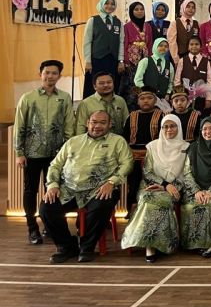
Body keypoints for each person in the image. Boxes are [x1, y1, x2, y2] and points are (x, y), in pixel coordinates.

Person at [40, 110, 133, 263]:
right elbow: (55, 165)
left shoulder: (118, 141)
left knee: (101, 206)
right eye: (94, 122)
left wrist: (111, 182)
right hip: (69, 189)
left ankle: (86, 248)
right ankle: (66, 247)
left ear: (110, 124)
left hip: (100, 188)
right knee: (46, 208)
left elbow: (127, 163)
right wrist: (52, 185)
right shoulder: (73, 141)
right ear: (87, 123)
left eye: (103, 122)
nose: (97, 126)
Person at [14, 59, 75, 244]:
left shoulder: (64, 97)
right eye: (47, 72)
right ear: (40, 74)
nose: (50, 76)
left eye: (54, 73)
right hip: (32, 153)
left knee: (53, 190)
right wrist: (19, 152)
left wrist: (68, 151)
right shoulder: (28, 98)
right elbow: (19, 126)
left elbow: (69, 125)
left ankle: (50, 225)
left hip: (56, 155)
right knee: (30, 190)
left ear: (59, 76)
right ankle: (32, 228)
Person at [121, 115, 187, 262]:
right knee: (147, 198)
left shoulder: (186, 148)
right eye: (165, 126)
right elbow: (147, 172)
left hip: (175, 187)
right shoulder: (152, 146)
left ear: (179, 127)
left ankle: (158, 243)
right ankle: (149, 245)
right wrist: (164, 184)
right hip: (150, 184)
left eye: (172, 126)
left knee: (159, 201)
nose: (169, 129)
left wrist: (170, 187)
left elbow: (186, 173)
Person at [123, 87, 164, 212]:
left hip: (154, 157)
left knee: (152, 183)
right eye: (142, 98)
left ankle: (150, 210)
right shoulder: (132, 116)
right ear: (137, 101)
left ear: (155, 100)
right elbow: (125, 138)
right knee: (133, 184)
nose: (146, 101)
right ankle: (132, 210)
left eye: (149, 98)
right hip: (134, 157)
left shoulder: (161, 115)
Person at [82, 0, 124, 97]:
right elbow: (87, 42)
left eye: (112, 4)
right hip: (97, 59)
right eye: (107, 3)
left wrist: (121, 61)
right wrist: (88, 61)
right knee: (94, 85)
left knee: (112, 85)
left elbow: (121, 42)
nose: (110, 6)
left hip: (113, 60)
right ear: (101, 4)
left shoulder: (118, 22)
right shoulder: (93, 20)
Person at [74, 71, 129, 136]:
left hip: (118, 140)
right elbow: (80, 127)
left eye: (109, 82)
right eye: (101, 83)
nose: (106, 85)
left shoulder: (120, 101)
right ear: (95, 86)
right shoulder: (86, 103)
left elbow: (127, 123)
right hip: (94, 140)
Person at [122, 1, 153, 103]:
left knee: (144, 82)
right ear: (131, 11)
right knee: (132, 85)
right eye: (136, 9)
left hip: (145, 59)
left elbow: (150, 43)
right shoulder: (127, 26)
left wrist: (150, 59)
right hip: (132, 60)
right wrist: (126, 61)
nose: (140, 11)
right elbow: (125, 44)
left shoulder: (147, 26)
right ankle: (132, 107)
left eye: (141, 9)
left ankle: (144, 104)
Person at [174, 37, 211, 112]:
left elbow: (210, 81)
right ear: (188, 47)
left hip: (201, 98)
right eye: (191, 44)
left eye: (196, 44)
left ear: (201, 47)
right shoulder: (182, 61)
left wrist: (208, 98)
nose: (194, 46)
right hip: (185, 98)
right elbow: (177, 80)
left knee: (199, 117)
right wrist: (179, 95)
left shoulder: (206, 61)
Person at [167, 0, 200, 64]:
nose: (191, 9)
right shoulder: (175, 23)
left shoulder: (197, 23)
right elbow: (172, 42)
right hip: (179, 57)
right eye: (188, 6)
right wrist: (176, 59)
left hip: (194, 57)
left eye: (193, 7)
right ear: (183, 7)